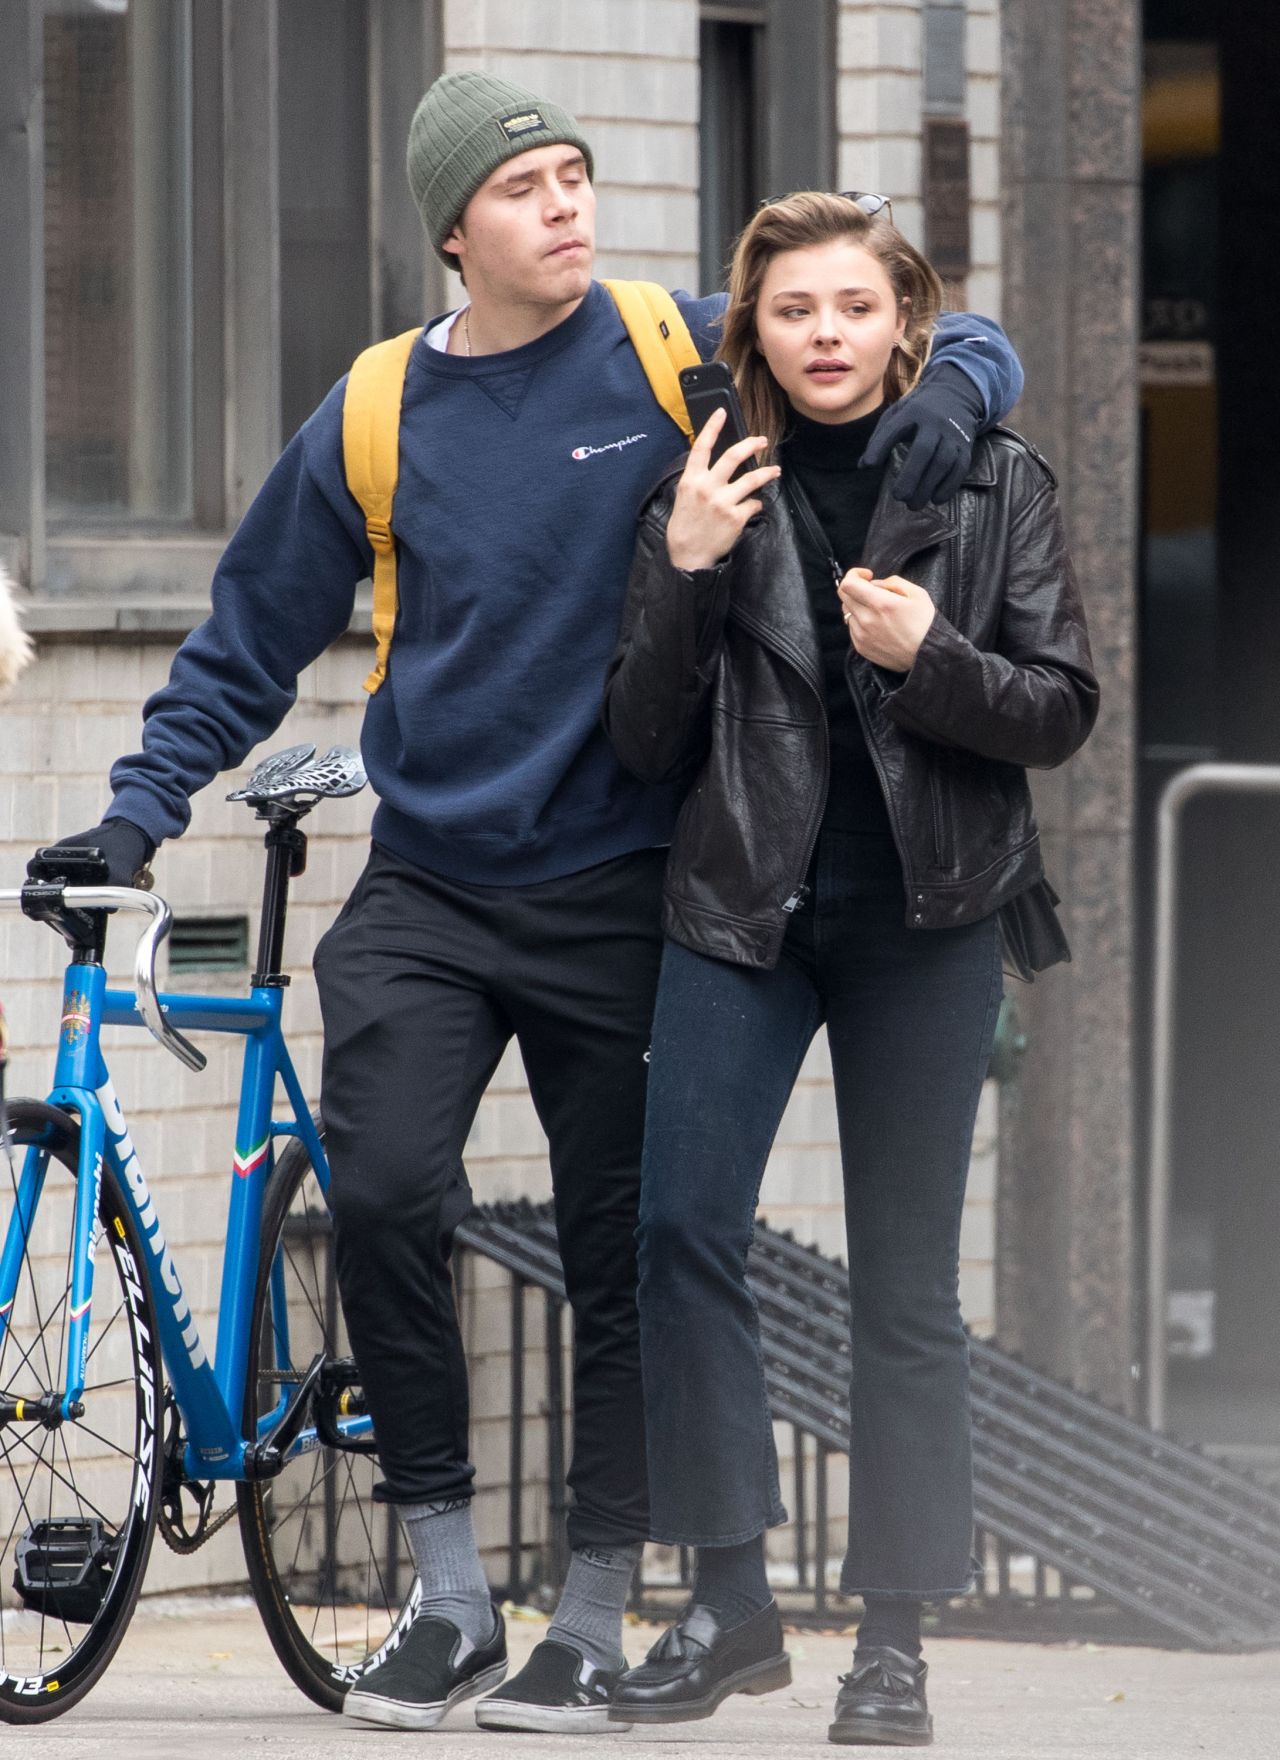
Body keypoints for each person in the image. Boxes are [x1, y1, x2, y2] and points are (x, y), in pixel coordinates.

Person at [37, 78, 1024, 1735]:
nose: (568, 207)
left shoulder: (665, 349)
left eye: (577, 178)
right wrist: (138, 812)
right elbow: (246, 637)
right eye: (526, 188)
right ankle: (445, 1594)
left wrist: (955, 396)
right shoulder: (370, 411)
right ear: (452, 230)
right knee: (391, 1191)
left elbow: (906, 325)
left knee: (621, 1247)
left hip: (625, 882)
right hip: (427, 880)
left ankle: (590, 1607)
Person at [602, 191, 1098, 1746]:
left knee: (907, 1288)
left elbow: (1061, 706)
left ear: (908, 326)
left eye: (856, 310)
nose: (826, 336)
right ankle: (733, 1598)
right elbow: (640, 740)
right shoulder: (708, 482)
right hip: (742, 907)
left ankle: (893, 1652)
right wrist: (684, 570)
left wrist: (929, 663)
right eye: (796, 311)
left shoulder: (995, 477)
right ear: (752, 327)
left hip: (927, 918)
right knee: (680, 1226)